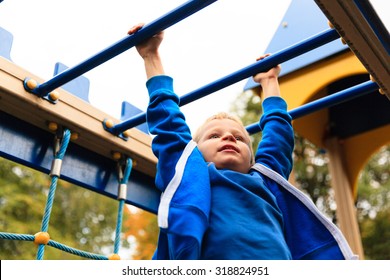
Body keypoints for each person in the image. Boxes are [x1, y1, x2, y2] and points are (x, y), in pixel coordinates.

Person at [127, 23, 357, 260]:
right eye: (214, 136)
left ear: (251, 158)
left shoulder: (264, 180)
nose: (228, 137)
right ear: (195, 153)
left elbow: (278, 137)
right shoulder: (192, 173)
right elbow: (169, 125)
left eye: (239, 138)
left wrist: (269, 81)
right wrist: (151, 55)